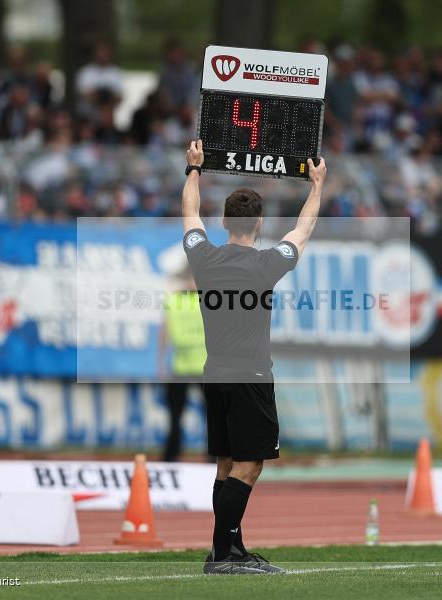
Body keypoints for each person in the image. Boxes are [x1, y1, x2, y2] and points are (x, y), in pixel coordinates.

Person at [182, 139, 326, 574]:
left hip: (215, 375)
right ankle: (224, 556)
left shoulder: (203, 256)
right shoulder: (266, 264)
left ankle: (229, 549)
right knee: (250, 465)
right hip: (252, 375)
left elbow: (189, 214)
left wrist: (193, 170)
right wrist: (316, 184)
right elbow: (302, 230)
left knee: (227, 464)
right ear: (259, 223)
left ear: (224, 220)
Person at [160, 265, 206, 462]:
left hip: (207, 367)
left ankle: (214, 458)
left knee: (214, 416)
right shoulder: (174, 301)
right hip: (180, 367)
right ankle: (171, 458)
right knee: (174, 416)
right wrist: (161, 363)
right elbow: (165, 331)